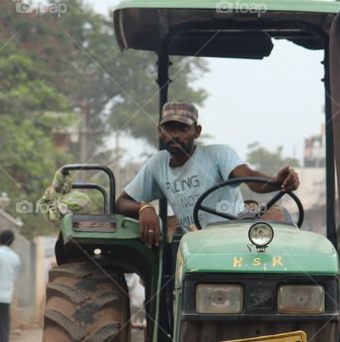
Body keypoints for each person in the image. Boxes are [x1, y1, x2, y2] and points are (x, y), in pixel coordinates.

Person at [115, 101, 300, 247]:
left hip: (234, 237)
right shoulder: (157, 163)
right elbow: (121, 203)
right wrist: (144, 208)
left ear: (197, 131)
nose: (175, 135)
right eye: (169, 128)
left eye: (183, 128)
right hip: (195, 242)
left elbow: (251, 179)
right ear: (160, 131)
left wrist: (277, 181)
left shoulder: (218, 154)